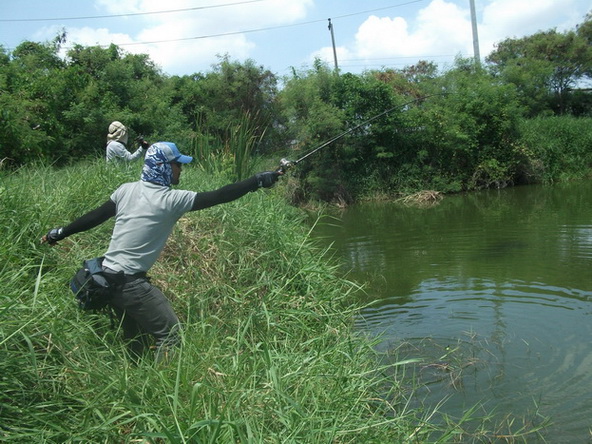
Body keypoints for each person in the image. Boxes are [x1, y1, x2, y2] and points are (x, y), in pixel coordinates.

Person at [42, 142, 282, 361]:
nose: (181, 169)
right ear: (164, 167)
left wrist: (58, 233)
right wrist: (257, 181)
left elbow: (94, 217)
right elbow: (221, 195)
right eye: (177, 164)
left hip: (105, 277)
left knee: (135, 339)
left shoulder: (126, 190)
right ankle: (166, 397)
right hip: (130, 285)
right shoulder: (170, 199)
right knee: (172, 336)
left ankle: (135, 379)